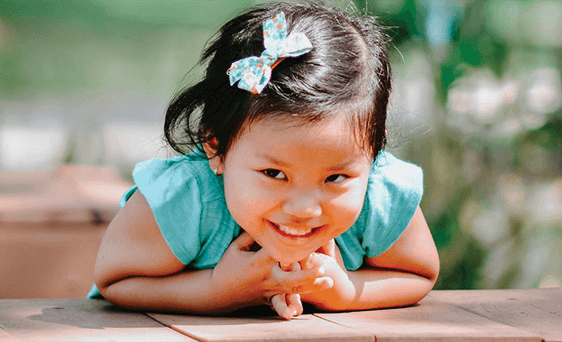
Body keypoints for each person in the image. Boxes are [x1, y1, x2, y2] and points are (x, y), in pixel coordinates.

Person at [90, 0, 439, 320]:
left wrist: (346, 292)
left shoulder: (378, 197)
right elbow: (115, 278)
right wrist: (215, 291)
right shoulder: (186, 199)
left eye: (335, 179)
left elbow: (420, 273)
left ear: (373, 156)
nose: (304, 209)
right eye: (274, 173)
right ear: (216, 145)